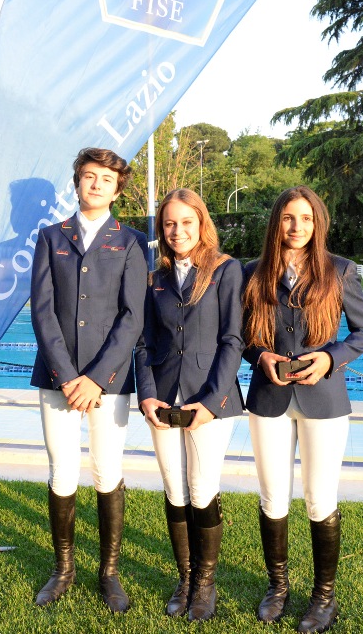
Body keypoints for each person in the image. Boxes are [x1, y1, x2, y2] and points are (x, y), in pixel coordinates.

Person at [241, 186, 363, 633]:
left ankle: (324, 597)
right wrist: (261, 356)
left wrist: (330, 357)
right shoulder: (253, 272)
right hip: (269, 397)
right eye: (287, 218)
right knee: (272, 496)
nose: (296, 227)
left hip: (325, 399)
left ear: (317, 222)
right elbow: (241, 337)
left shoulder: (340, 271)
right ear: (275, 223)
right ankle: (277, 587)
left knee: (320, 498)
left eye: (305, 218)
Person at [29, 147, 148, 613]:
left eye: (106, 178)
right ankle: (63, 569)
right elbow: (42, 310)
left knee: (107, 470)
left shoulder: (133, 242)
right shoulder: (50, 236)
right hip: (57, 377)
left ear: (118, 189)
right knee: (61, 469)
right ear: (76, 182)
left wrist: (96, 379)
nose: (96, 184)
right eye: (88, 176)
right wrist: (67, 376)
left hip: (110, 380)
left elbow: (133, 317)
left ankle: (109, 572)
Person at [134, 189, 244, 622]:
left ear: (202, 224)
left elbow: (232, 340)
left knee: (201, 489)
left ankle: (205, 583)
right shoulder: (154, 278)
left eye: (185, 223)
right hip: (163, 398)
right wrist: (146, 395)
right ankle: (184, 576)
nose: (177, 232)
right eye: (169, 224)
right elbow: (143, 344)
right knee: (174, 490)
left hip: (209, 398)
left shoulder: (225, 270)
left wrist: (211, 402)